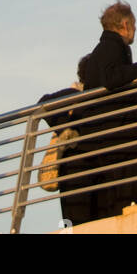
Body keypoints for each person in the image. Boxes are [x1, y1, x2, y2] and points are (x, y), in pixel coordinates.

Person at [77, 0, 137, 220]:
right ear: (125, 24)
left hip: (108, 145)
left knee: (113, 208)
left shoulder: (102, 50)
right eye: (134, 24)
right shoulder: (112, 47)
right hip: (119, 146)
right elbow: (112, 77)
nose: (136, 29)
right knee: (123, 205)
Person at [38, 57, 92, 228]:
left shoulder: (75, 97)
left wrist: (61, 129)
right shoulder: (77, 96)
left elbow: (43, 103)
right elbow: (43, 103)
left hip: (71, 174)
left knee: (75, 223)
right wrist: (65, 131)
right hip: (79, 172)